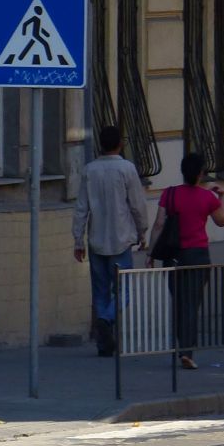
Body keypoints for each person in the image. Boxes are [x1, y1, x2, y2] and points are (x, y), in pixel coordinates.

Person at [72, 125, 148, 357]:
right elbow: (137, 205)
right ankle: (106, 319)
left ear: (100, 145)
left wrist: (78, 240)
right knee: (124, 291)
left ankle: (103, 344)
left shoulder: (89, 170)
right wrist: (142, 232)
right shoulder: (127, 169)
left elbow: (81, 208)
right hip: (121, 239)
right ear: (120, 144)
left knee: (100, 292)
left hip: (96, 240)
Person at [146, 153, 224, 369]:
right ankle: (186, 351)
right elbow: (222, 220)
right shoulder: (207, 197)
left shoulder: (169, 193)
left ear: (183, 171)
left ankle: (183, 346)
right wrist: (222, 197)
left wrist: (150, 253)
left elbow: (159, 224)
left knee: (179, 302)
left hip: (173, 255)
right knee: (191, 304)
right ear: (201, 173)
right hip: (198, 255)